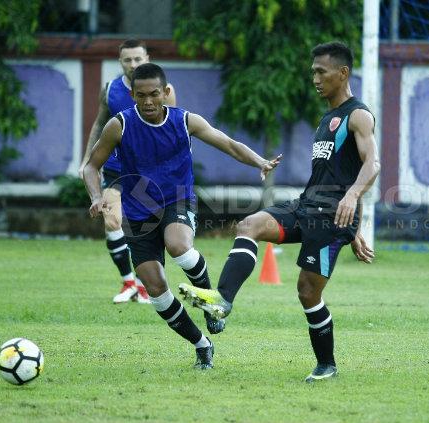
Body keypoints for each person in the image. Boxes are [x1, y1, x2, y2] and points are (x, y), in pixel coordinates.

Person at [178, 41, 380, 382]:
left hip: (331, 217)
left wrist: (351, 205)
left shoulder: (357, 115)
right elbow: (337, 173)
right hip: (307, 206)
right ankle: (222, 301)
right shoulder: (327, 117)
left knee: (307, 291)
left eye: (321, 72)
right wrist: (355, 228)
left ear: (342, 73)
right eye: (313, 71)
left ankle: (326, 365)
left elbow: (372, 163)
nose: (314, 78)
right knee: (250, 224)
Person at [83, 63, 281, 369]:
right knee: (155, 287)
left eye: (153, 94)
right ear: (132, 95)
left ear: (165, 92)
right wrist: (97, 196)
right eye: (140, 95)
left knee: (178, 245)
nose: (147, 102)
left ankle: (211, 303)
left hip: (177, 200)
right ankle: (202, 344)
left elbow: (227, 143)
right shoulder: (119, 125)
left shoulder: (185, 120)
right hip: (138, 212)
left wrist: (259, 161)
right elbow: (91, 166)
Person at [78, 39, 177, 305]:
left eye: (138, 59)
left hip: (148, 174)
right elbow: (99, 125)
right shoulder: (110, 89)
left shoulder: (162, 89)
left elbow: (171, 129)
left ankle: (147, 286)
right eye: (127, 60)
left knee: (146, 227)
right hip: (115, 169)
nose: (133, 64)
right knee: (111, 221)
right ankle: (129, 282)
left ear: (147, 58)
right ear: (120, 61)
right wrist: (87, 159)